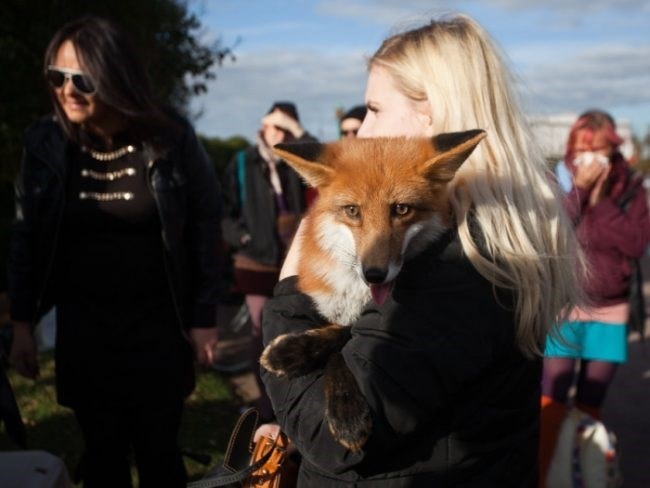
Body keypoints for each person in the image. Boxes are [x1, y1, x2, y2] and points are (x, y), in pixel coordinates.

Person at [256, 13, 583, 487]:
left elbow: (337, 442)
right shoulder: (479, 229)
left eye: (374, 109)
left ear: (432, 110)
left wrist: (289, 295)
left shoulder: (460, 261)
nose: (364, 132)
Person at [7, 16, 222, 488]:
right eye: (56, 76)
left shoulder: (170, 137)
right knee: (102, 456)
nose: (67, 89)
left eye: (82, 79)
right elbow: (26, 236)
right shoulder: (43, 142)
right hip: (84, 331)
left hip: (157, 329)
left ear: (116, 75)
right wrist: (22, 324)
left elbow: (206, 224)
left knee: (159, 452)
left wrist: (203, 315)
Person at [539, 109, 650, 485]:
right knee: (551, 400)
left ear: (613, 150)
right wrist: (582, 191)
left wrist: (600, 201)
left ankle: (585, 474)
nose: (591, 160)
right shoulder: (560, 182)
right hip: (563, 308)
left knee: (591, 404)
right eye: (584, 150)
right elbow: (553, 232)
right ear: (572, 149)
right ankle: (543, 474)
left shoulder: (631, 188)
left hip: (610, 310)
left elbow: (635, 244)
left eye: (600, 151)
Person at [221, 102, 314, 421]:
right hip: (256, 261)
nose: (277, 134)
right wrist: (243, 238)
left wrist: (299, 133)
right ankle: (265, 403)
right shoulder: (243, 162)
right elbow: (226, 210)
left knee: (295, 326)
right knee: (261, 328)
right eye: (273, 126)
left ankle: (289, 398)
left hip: (294, 259)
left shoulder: (294, 160)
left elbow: (324, 169)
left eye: (285, 128)